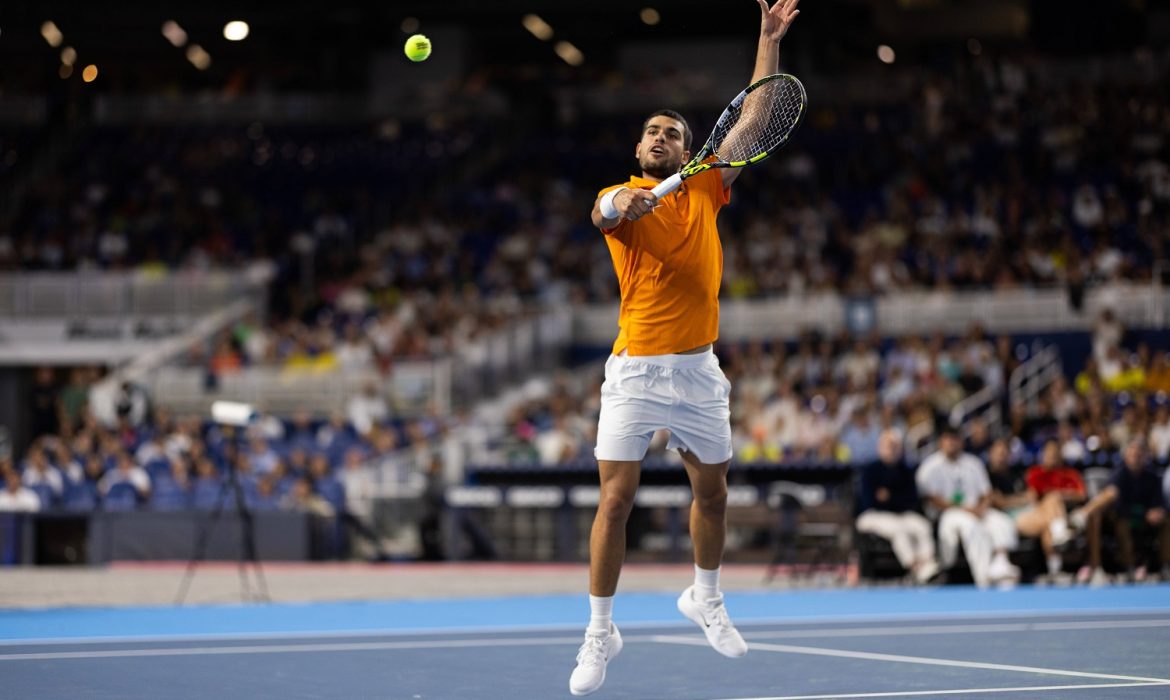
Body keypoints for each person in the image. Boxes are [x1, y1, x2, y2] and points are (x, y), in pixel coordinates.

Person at [568, 1, 802, 694]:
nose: (660, 136)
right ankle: (599, 632)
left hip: (699, 370)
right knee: (616, 501)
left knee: (715, 493)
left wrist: (767, 42)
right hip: (636, 371)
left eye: (672, 131)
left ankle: (705, 595)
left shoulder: (705, 183)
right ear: (640, 152)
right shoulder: (625, 198)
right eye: (651, 132)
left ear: (688, 148)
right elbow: (600, 210)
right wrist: (620, 206)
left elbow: (755, 116)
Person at [915, 427, 1019, 588]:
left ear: (961, 442)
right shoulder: (930, 467)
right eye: (947, 439)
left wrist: (982, 507)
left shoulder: (973, 463)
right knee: (971, 527)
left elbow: (986, 492)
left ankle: (1001, 562)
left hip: (976, 509)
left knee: (1000, 520)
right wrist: (966, 510)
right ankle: (983, 578)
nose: (951, 443)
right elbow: (931, 498)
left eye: (955, 439)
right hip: (949, 513)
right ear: (941, 442)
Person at [1072, 437, 1170, 583]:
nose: (1136, 456)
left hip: (1146, 519)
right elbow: (1118, 505)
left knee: (1166, 521)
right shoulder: (1119, 474)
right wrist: (1143, 514)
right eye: (1132, 453)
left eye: (1139, 453)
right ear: (1126, 455)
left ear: (1145, 456)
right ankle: (1130, 567)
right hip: (1124, 517)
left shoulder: (1152, 477)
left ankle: (1165, 567)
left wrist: (1158, 512)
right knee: (1120, 520)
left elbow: (1159, 503)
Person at [990, 439, 1085, 580]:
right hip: (1010, 519)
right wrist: (1021, 499)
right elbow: (1000, 502)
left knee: (1051, 510)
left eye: (1005, 453)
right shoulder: (988, 475)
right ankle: (1059, 530)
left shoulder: (1016, 473)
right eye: (999, 453)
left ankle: (1055, 572)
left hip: (1032, 512)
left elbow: (1032, 497)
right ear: (991, 454)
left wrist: (1021, 499)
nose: (1002, 456)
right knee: (1052, 510)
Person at [855, 429, 939, 583]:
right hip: (871, 515)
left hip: (900, 515)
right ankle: (915, 568)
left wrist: (889, 498)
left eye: (895, 446)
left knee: (922, 526)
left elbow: (911, 500)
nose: (892, 449)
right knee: (899, 530)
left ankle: (927, 565)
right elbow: (869, 502)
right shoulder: (870, 470)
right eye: (888, 445)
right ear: (880, 447)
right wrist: (891, 500)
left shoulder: (905, 471)